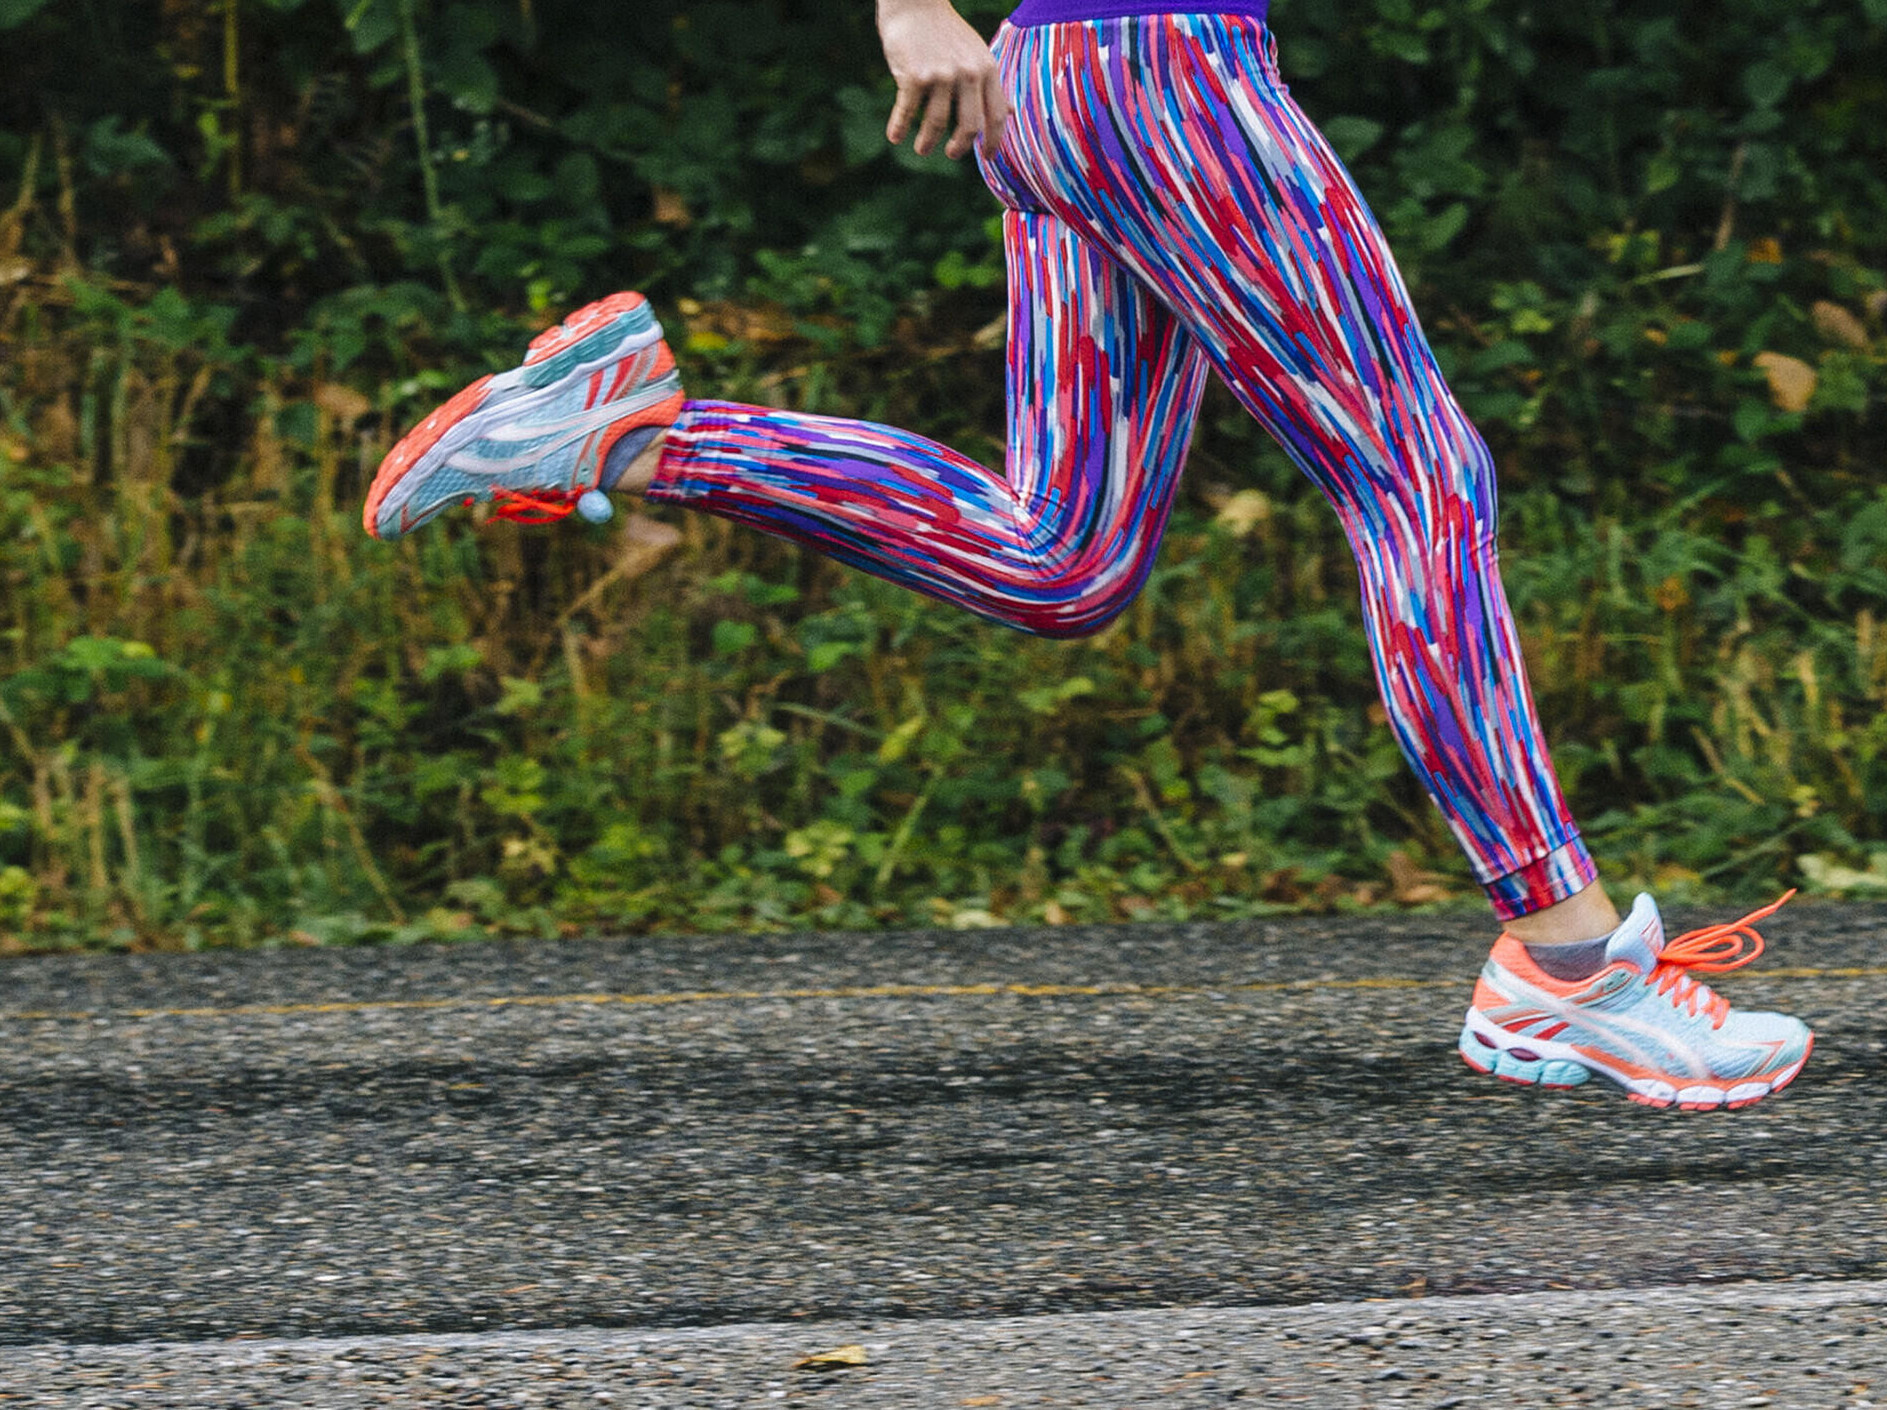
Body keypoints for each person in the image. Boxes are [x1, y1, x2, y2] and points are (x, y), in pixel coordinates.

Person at [359, 0, 1812, 1111]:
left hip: (1072, 84)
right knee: (1418, 478)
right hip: (1158, 76)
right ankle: (1561, 957)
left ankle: (636, 435)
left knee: (1065, 556)